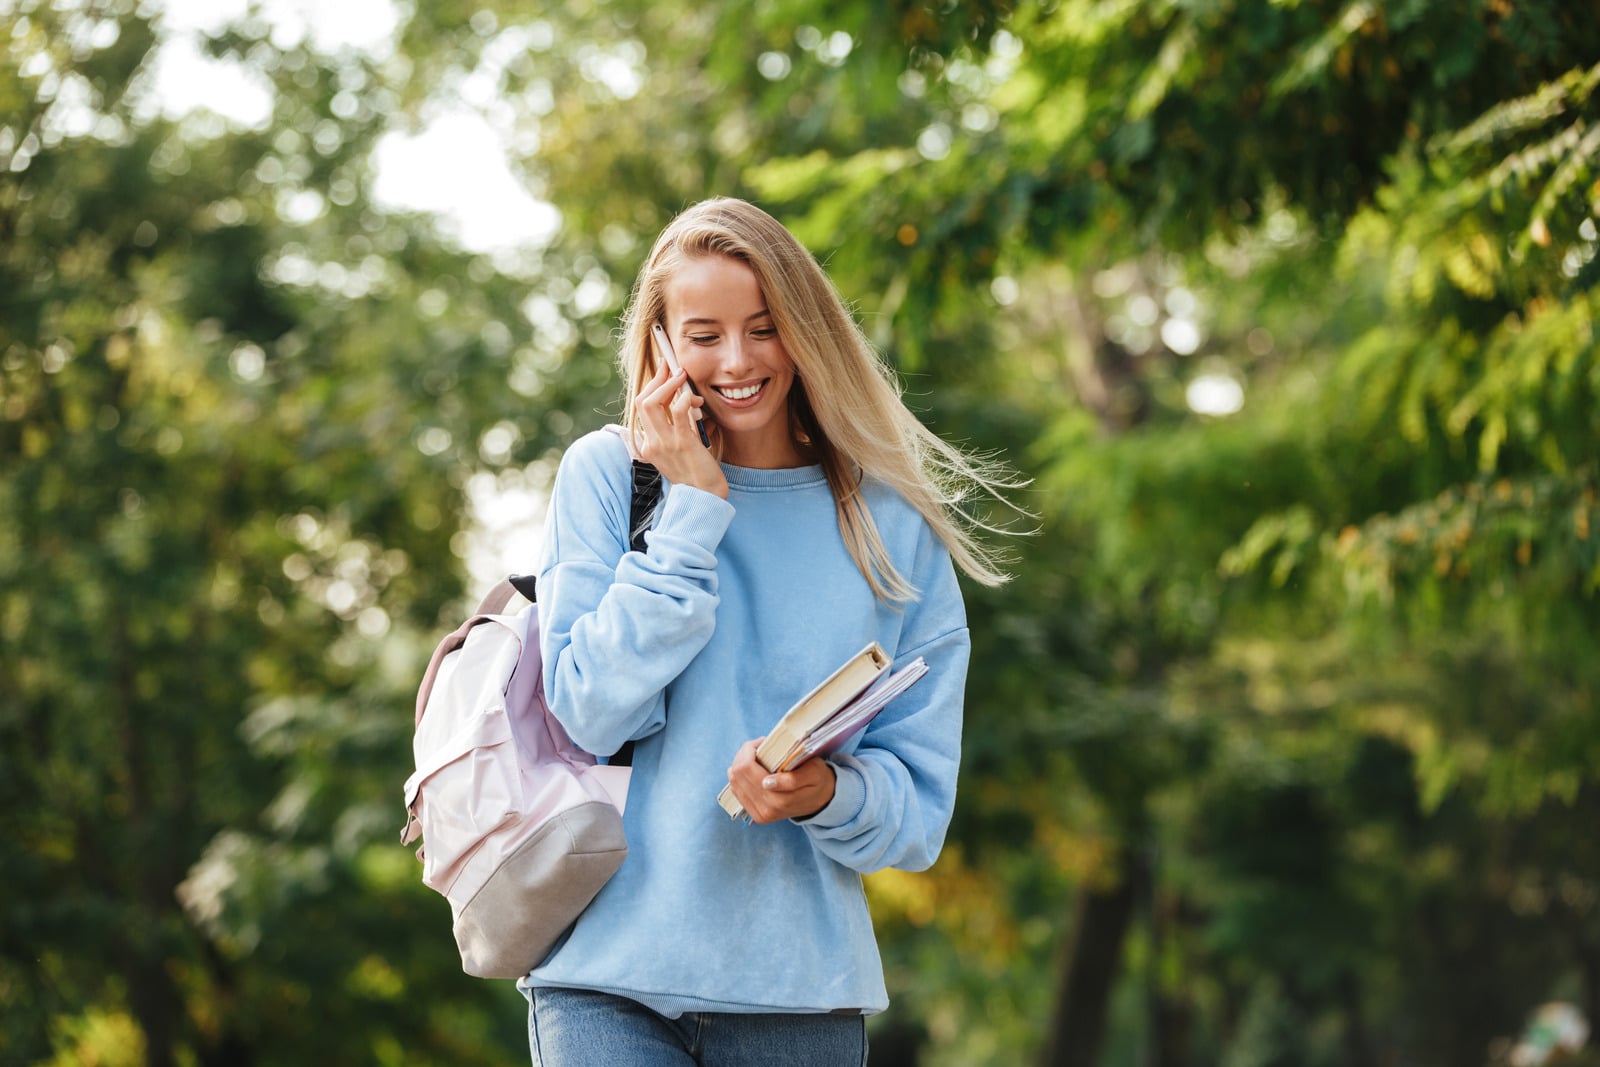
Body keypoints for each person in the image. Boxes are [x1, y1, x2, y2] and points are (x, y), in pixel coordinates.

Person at [520, 197, 1020, 1065]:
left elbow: (917, 815)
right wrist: (694, 508)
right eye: (705, 334)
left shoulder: (891, 523)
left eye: (765, 327)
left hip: (800, 998)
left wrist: (824, 792)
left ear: (806, 329)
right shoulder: (607, 478)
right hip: (602, 979)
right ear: (663, 344)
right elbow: (587, 714)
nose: (739, 360)